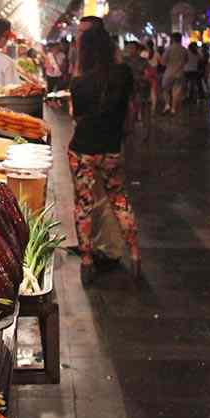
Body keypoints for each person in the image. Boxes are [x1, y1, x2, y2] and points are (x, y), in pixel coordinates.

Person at [68, 24, 139, 285]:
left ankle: (87, 260)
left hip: (84, 149)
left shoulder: (79, 82)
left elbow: (76, 114)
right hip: (112, 148)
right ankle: (135, 254)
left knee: (84, 204)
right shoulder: (123, 74)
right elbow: (130, 107)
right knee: (120, 200)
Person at [160, 33, 187, 114]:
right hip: (180, 73)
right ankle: (173, 109)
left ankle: (167, 105)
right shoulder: (184, 49)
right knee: (176, 92)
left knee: (165, 90)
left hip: (169, 73)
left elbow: (163, 62)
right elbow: (186, 60)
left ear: (172, 39)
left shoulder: (169, 49)